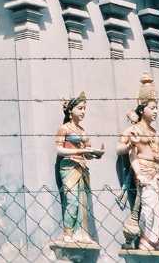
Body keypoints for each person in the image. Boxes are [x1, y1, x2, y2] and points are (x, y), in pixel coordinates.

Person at [117, 74, 159, 251]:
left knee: (158, 208)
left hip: (156, 174)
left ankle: (155, 240)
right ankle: (146, 240)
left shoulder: (155, 133)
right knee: (148, 208)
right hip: (144, 173)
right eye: (153, 108)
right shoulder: (134, 130)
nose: (156, 111)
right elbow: (121, 149)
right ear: (142, 109)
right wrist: (138, 170)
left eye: (157, 108)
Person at [54, 93, 104, 241]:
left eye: (84, 109)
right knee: (72, 200)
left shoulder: (82, 131)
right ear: (71, 110)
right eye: (80, 108)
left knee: (82, 202)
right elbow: (59, 150)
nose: (83, 112)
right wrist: (81, 151)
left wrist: (96, 154)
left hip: (81, 167)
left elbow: (87, 153)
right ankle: (68, 232)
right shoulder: (64, 128)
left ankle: (79, 233)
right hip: (68, 167)